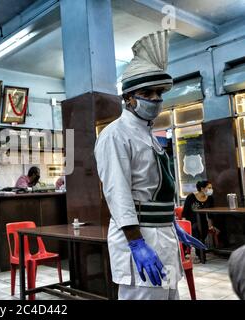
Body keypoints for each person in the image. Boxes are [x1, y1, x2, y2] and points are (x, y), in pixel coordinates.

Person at [94, 30, 206, 300]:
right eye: (147, 92)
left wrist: (173, 224)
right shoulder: (115, 135)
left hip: (163, 237)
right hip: (139, 243)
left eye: (159, 93)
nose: (155, 99)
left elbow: (158, 187)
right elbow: (118, 195)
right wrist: (136, 242)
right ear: (129, 98)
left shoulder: (149, 135)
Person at [182, 180, 218, 261]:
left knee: (203, 230)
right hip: (191, 221)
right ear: (202, 188)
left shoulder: (210, 198)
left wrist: (211, 225)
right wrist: (184, 226)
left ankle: (201, 252)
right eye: (209, 188)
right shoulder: (191, 197)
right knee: (196, 230)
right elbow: (185, 212)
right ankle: (199, 254)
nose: (211, 189)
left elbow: (210, 214)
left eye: (211, 188)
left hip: (203, 221)